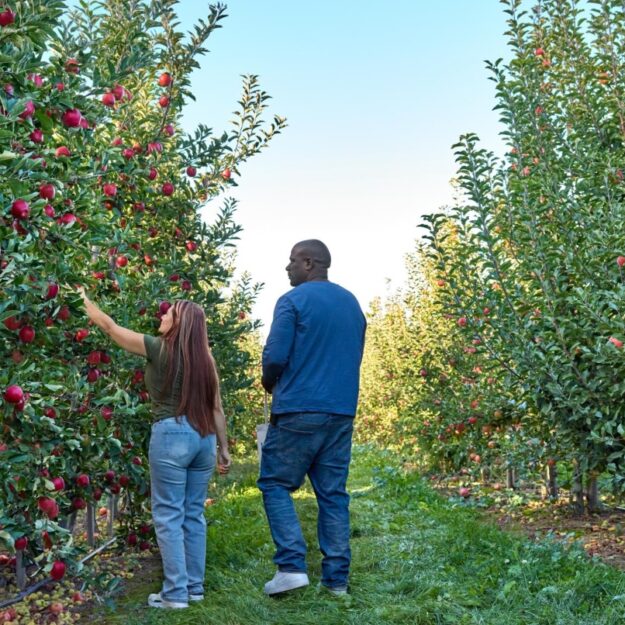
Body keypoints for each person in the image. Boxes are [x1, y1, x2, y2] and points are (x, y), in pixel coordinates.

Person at [79, 291, 231, 609]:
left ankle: (175, 594)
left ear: (180, 324)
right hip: (204, 438)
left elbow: (109, 327)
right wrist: (223, 448)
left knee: (168, 515)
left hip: (172, 435)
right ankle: (194, 587)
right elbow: (217, 408)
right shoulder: (207, 359)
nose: (162, 316)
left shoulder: (158, 349)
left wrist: (84, 301)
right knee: (193, 514)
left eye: (168, 313)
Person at [258, 239, 366, 597]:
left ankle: (290, 566)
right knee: (333, 494)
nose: (286, 267)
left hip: (299, 408)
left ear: (308, 263)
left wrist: (269, 382)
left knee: (275, 483)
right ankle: (336, 582)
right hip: (341, 410)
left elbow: (275, 355)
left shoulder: (292, 301)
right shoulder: (352, 304)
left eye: (291, 261)